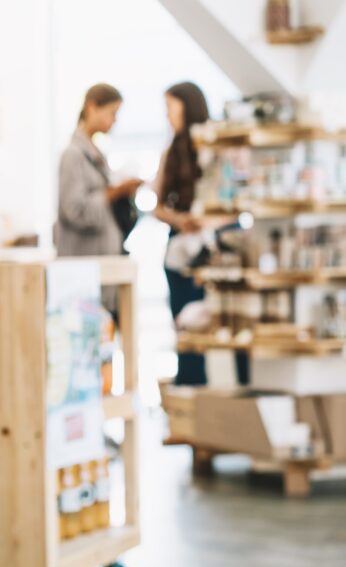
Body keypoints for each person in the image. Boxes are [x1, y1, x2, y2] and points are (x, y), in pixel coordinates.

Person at [153, 81, 211, 385]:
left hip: (208, 248)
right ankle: (188, 388)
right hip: (178, 250)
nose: (167, 115)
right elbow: (157, 206)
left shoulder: (212, 148)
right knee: (183, 324)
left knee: (208, 323)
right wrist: (180, 220)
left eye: (170, 108)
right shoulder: (170, 153)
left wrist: (205, 221)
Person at [55, 83, 144, 261]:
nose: (115, 120)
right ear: (92, 107)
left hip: (101, 259)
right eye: (112, 113)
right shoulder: (73, 154)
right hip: (83, 262)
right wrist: (114, 193)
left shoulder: (96, 153)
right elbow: (73, 210)